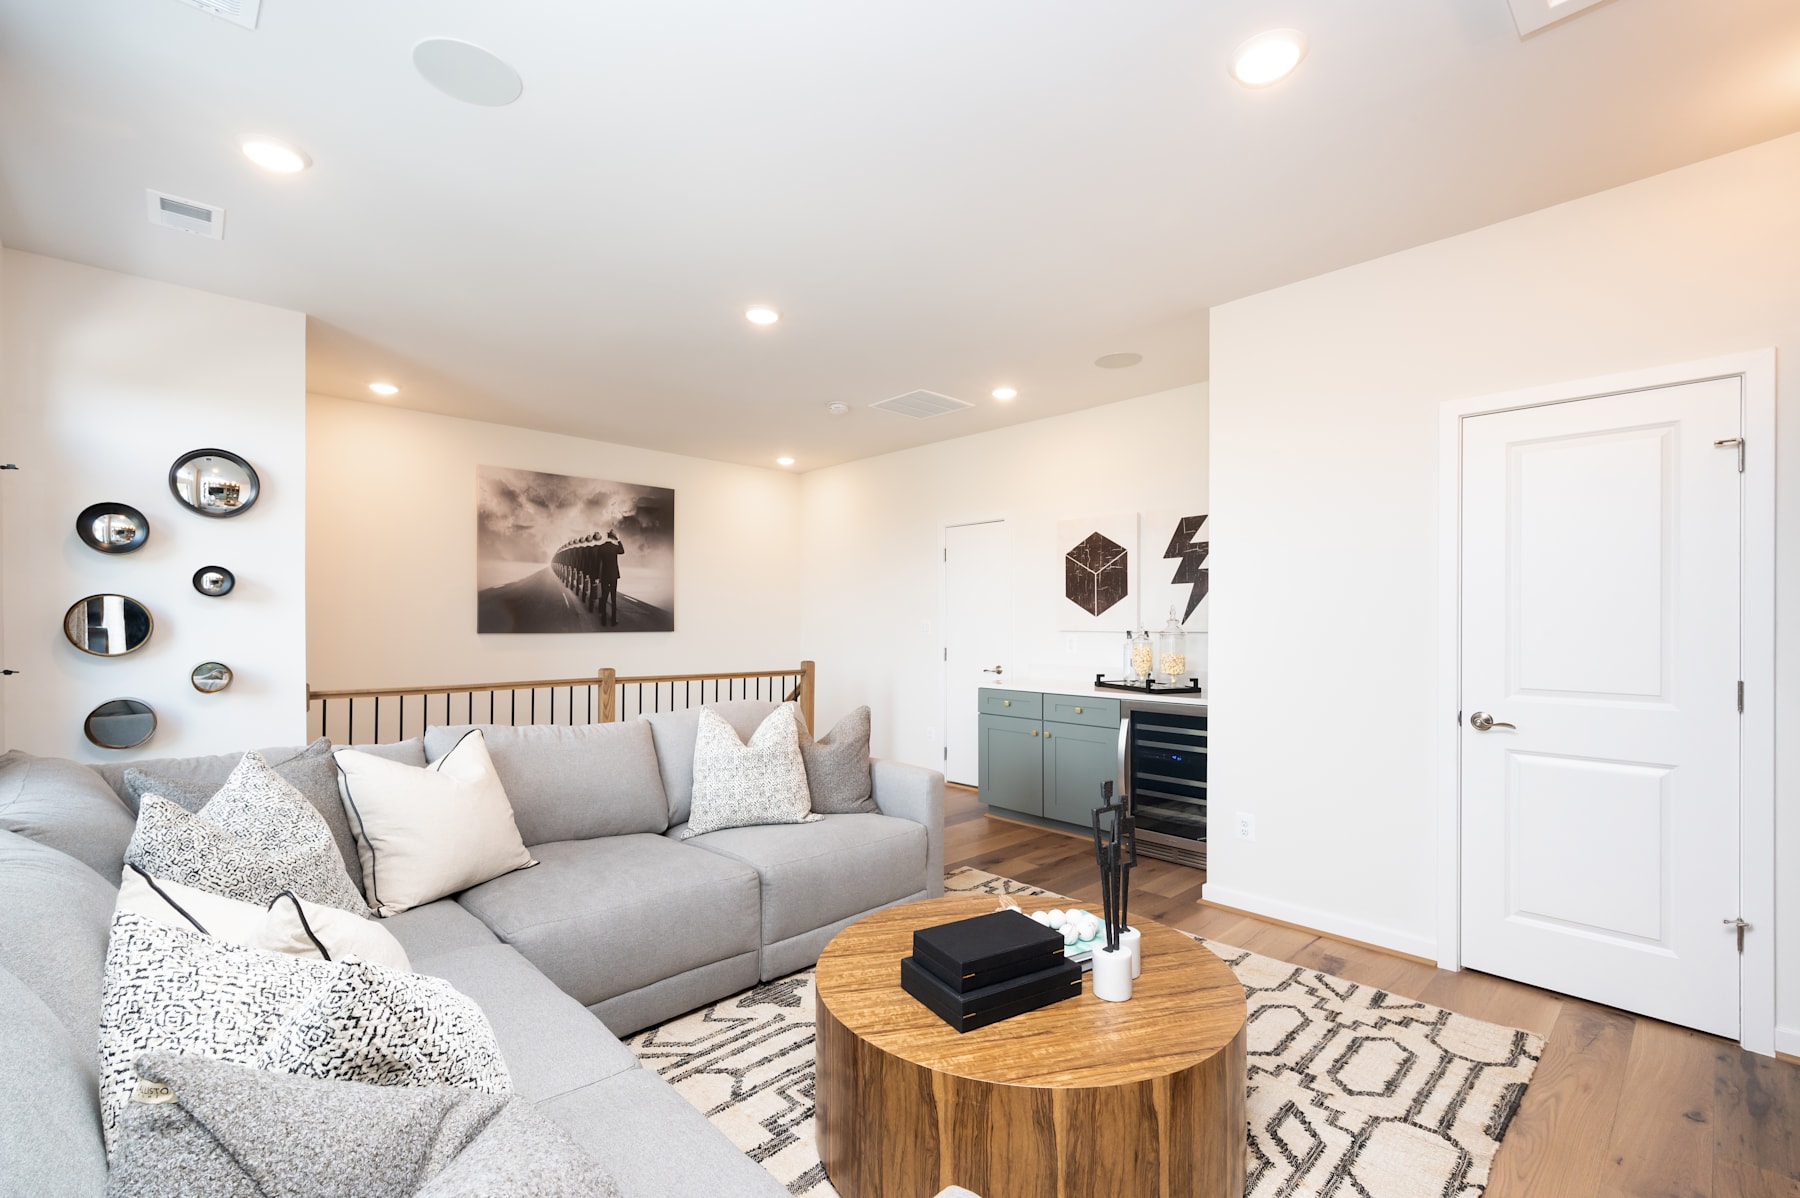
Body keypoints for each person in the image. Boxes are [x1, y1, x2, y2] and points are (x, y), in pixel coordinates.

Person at [596, 530, 624, 626]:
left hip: (604, 575)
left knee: (604, 597)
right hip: (613, 575)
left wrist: (598, 576)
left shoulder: (601, 547)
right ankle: (613, 620)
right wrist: (619, 540)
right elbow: (622, 551)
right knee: (613, 598)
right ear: (613, 537)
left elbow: (598, 563)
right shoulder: (615, 547)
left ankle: (603, 620)